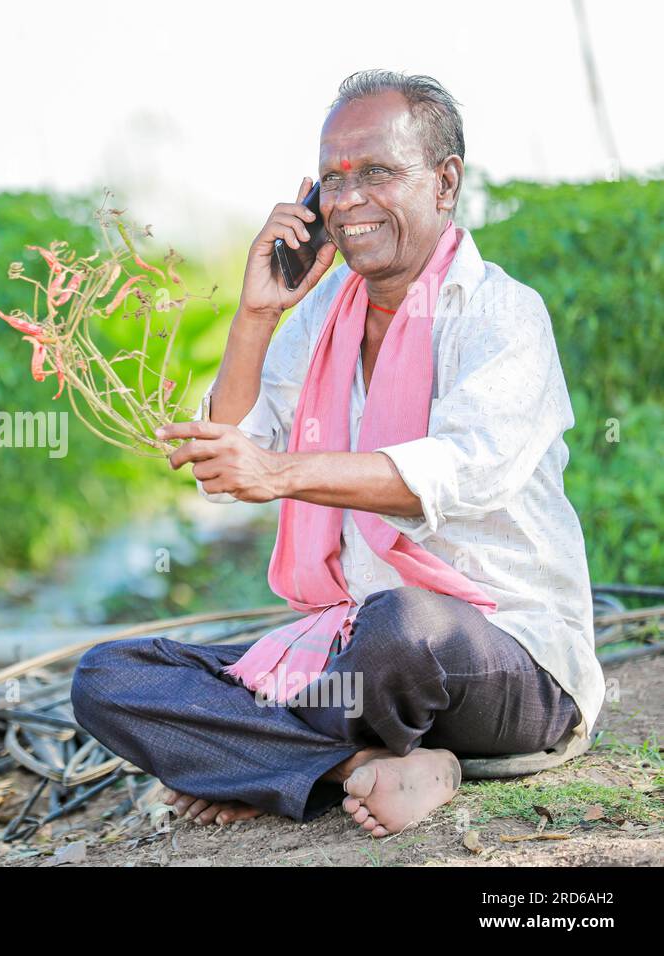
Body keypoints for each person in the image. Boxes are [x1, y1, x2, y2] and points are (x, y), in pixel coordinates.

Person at [69, 70, 604, 837]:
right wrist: (257, 313)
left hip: (500, 660)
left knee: (402, 627)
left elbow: (456, 472)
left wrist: (279, 475)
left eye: (377, 172)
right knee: (109, 678)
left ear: (446, 183)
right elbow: (232, 462)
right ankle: (363, 765)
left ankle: (254, 762)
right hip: (349, 655)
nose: (346, 200)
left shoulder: (501, 314)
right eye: (331, 179)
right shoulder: (321, 314)